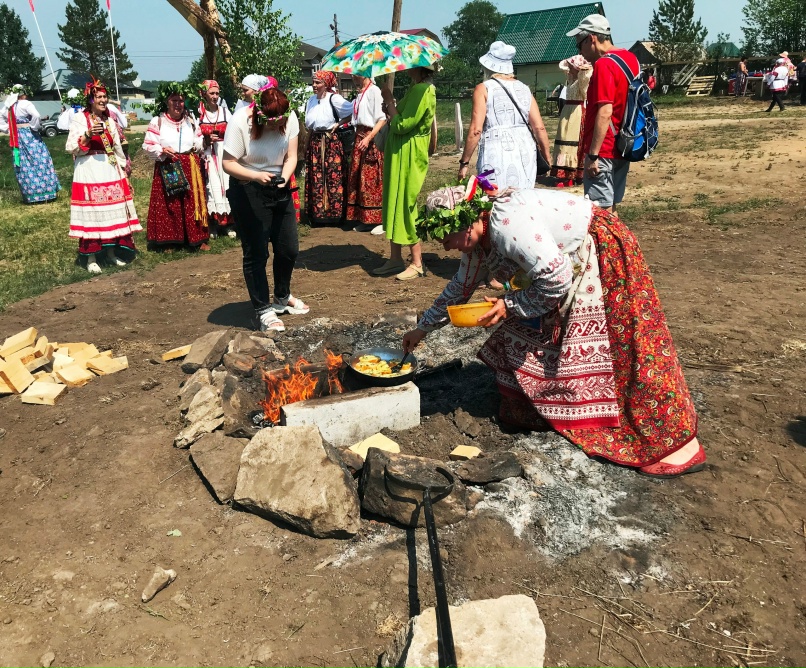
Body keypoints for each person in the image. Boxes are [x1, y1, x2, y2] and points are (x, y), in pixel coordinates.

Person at [402, 178, 706, 478]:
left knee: (625, 349)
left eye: (446, 237)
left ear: (467, 223)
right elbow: (459, 288)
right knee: (523, 335)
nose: (444, 246)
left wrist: (510, 305)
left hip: (600, 250)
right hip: (565, 267)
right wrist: (422, 330)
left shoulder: (507, 226)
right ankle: (541, 410)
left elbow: (557, 278)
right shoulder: (477, 243)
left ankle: (676, 445)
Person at [223, 86, 308, 333]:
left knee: (289, 248)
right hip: (247, 186)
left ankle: (282, 296)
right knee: (257, 252)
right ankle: (263, 309)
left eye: (281, 121)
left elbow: (291, 156)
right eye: (273, 122)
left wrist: (284, 177)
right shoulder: (240, 122)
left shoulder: (289, 117)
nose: (277, 127)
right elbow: (228, 163)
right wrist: (256, 176)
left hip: (278, 185)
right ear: (260, 115)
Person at [66, 79, 141, 274]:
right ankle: (91, 257)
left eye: (105, 97)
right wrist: (89, 134)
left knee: (112, 210)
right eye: (98, 97)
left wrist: (124, 171)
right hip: (89, 169)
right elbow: (71, 147)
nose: (103, 100)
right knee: (93, 213)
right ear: (90, 100)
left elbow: (117, 147)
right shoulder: (80, 119)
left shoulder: (109, 120)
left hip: (108, 168)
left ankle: (110, 253)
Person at [567, 14, 640, 212]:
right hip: (624, 143)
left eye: (579, 45)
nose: (580, 51)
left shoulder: (603, 65)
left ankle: (605, 244)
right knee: (611, 208)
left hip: (604, 149)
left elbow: (605, 111)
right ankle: (618, 243)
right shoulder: (630, 59)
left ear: (591, 38)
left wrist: (593, 155)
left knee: (599, 213)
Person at [372, 67, 437, 281]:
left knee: (405, 203)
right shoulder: (415, 87)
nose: (405, 67)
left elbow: (402, 124)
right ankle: (395, 258)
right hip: (401, 151)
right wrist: (391, 108)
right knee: (394, 200)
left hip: (409, 152)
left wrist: (390, 101)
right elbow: (400, 117)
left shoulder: (421, 89)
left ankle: (417, 262)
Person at [458, 41, 551, 190]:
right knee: (522, 198)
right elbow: (539, 127)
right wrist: (547, 158)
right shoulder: (525, 89)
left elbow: (476, 130)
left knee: (495, 198)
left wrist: (464, 163)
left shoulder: (483, 89)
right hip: (525, 149)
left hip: (496, 149)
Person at [143, 84, 210, 251]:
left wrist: (205, 141)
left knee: (191, 201)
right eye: (174, 100)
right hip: (168, 164)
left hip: (189, 164)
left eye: (181, 100)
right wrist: (162, 150)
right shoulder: (158, 121)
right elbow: (149, 144)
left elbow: (198, 141)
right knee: (170, 202)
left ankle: (196, 238)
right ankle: (170, 240)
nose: (178, 104)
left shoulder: (191, 120)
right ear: (167, 101)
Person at [303, 70, 353, 225]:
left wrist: (339, 124)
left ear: (326, 84)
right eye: (313, 82)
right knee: (316, 177)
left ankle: (336, 214)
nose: (314, 85)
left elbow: (352, 112)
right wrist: (306, 146)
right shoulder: (311, 101)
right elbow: (310, 126)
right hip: (315, 143)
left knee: (334, 177)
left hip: (331, 142)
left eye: (318, 82)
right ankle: (317, 214)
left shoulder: (334, 99)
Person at [0, 84, 61, 204]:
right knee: (40, 159)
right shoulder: (26, 103)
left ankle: (30, 194)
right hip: (29, 135)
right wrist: (34, 127)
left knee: (23, 163)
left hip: (18, 137)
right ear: (24, 94)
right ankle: (46, 192)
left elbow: (1, 117)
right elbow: (36, 116)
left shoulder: (9, 106)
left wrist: (8, 129)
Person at [346, 74, 386, 233]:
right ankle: (365, 218)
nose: (353, 76)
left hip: (370, 138)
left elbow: (381, 119)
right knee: (359, 179)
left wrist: (369, 138)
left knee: (372, 179)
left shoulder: (374, 91)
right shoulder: (360, 93)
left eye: (355, 73)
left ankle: (380, 219)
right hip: (360, 137)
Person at [198, 79, 234, 238]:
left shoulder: (226, 112)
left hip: (223, 153)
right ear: (204, 94)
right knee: (210, 188)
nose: (215, 96)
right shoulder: (198, 114)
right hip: (207, 155)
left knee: (226, 186)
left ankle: (229, 224)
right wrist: (205, 140)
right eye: (211, 93)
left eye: (217, 93)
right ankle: (213, 224)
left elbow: (234, 132)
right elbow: (194, 136)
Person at [550, 55, 592, 186]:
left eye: (570, 67)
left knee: (574, 143)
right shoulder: (570, 79)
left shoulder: (581, 80)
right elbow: (564, 69)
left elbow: (586, 82)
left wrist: (584, 69)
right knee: (563, 140)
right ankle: (564, 174)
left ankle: (572, 175)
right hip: (567, 110)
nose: (568, 69)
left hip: (577, 111)